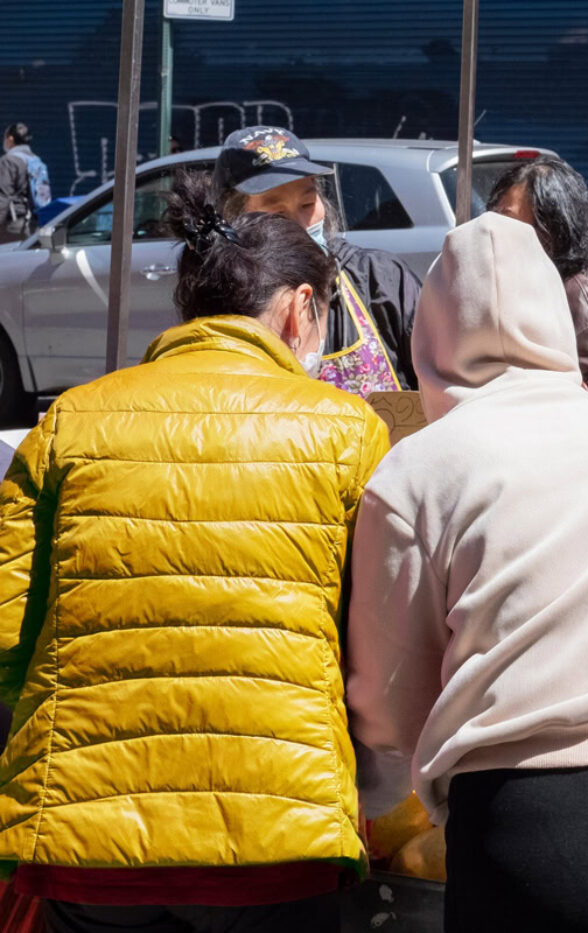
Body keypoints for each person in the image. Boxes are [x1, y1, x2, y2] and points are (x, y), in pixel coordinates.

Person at [0, 172, 389, 932]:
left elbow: (10, 631)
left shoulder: (71, 419)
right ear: (300, 309)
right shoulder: (347, 430)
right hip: (282, 830)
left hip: (86, 831)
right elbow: (375, 640)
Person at [346, 212, 588, 932]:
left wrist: (381, 797)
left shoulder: (417, 468)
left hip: (527, 815)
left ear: (430, 334)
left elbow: (388, 703)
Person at [212, 126, 420, 396]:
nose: (298, 225)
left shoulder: (378, 278)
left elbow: (439, 382)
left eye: (308, 204)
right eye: (276, 212)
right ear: (233, 218)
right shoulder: (222, 298)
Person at [487, 156, 588, 423]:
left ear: (553, 227)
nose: (496, 231)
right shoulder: (535, 281)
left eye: (511, 220)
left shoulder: (584, 296)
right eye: (495, 217)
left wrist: (533, 385)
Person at [0, 122, 51, 244]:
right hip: (32, 223)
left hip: (11, 225)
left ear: (10, 139)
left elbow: (3, 196)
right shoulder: (35, 160)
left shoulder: (8, 161)